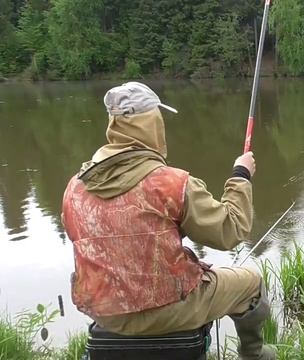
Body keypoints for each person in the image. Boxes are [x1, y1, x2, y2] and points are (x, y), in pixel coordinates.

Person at [61, 82, 276, 360]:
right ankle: (255, 355)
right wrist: (240, 176)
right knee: (252, 284)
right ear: (151, 124)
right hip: (170, 309)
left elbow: (94, 235)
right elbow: (231, 231)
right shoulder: (171, 183)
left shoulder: (74, 189)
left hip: (107, 314)